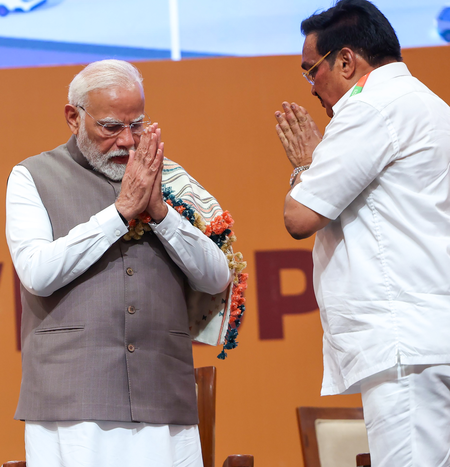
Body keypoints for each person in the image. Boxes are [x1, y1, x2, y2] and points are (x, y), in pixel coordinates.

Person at [6, 59, 237, 467]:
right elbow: (37, 274)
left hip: (163, 395)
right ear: (73, 117)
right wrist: (119, 214)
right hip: (74, 400)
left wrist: (162, 214)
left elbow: (218, 277)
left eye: (137, 125)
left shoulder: (169, 179)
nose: (128, 141)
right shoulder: (32, 176)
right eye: (111, 127)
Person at [275, 0, 450, 465]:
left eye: (311, 71)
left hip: (405, 347)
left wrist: (305, 166)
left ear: (347, 61)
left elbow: (299, 216)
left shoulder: (369, 107)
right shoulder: (432, 106)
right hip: (433, 337)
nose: (312, 86)